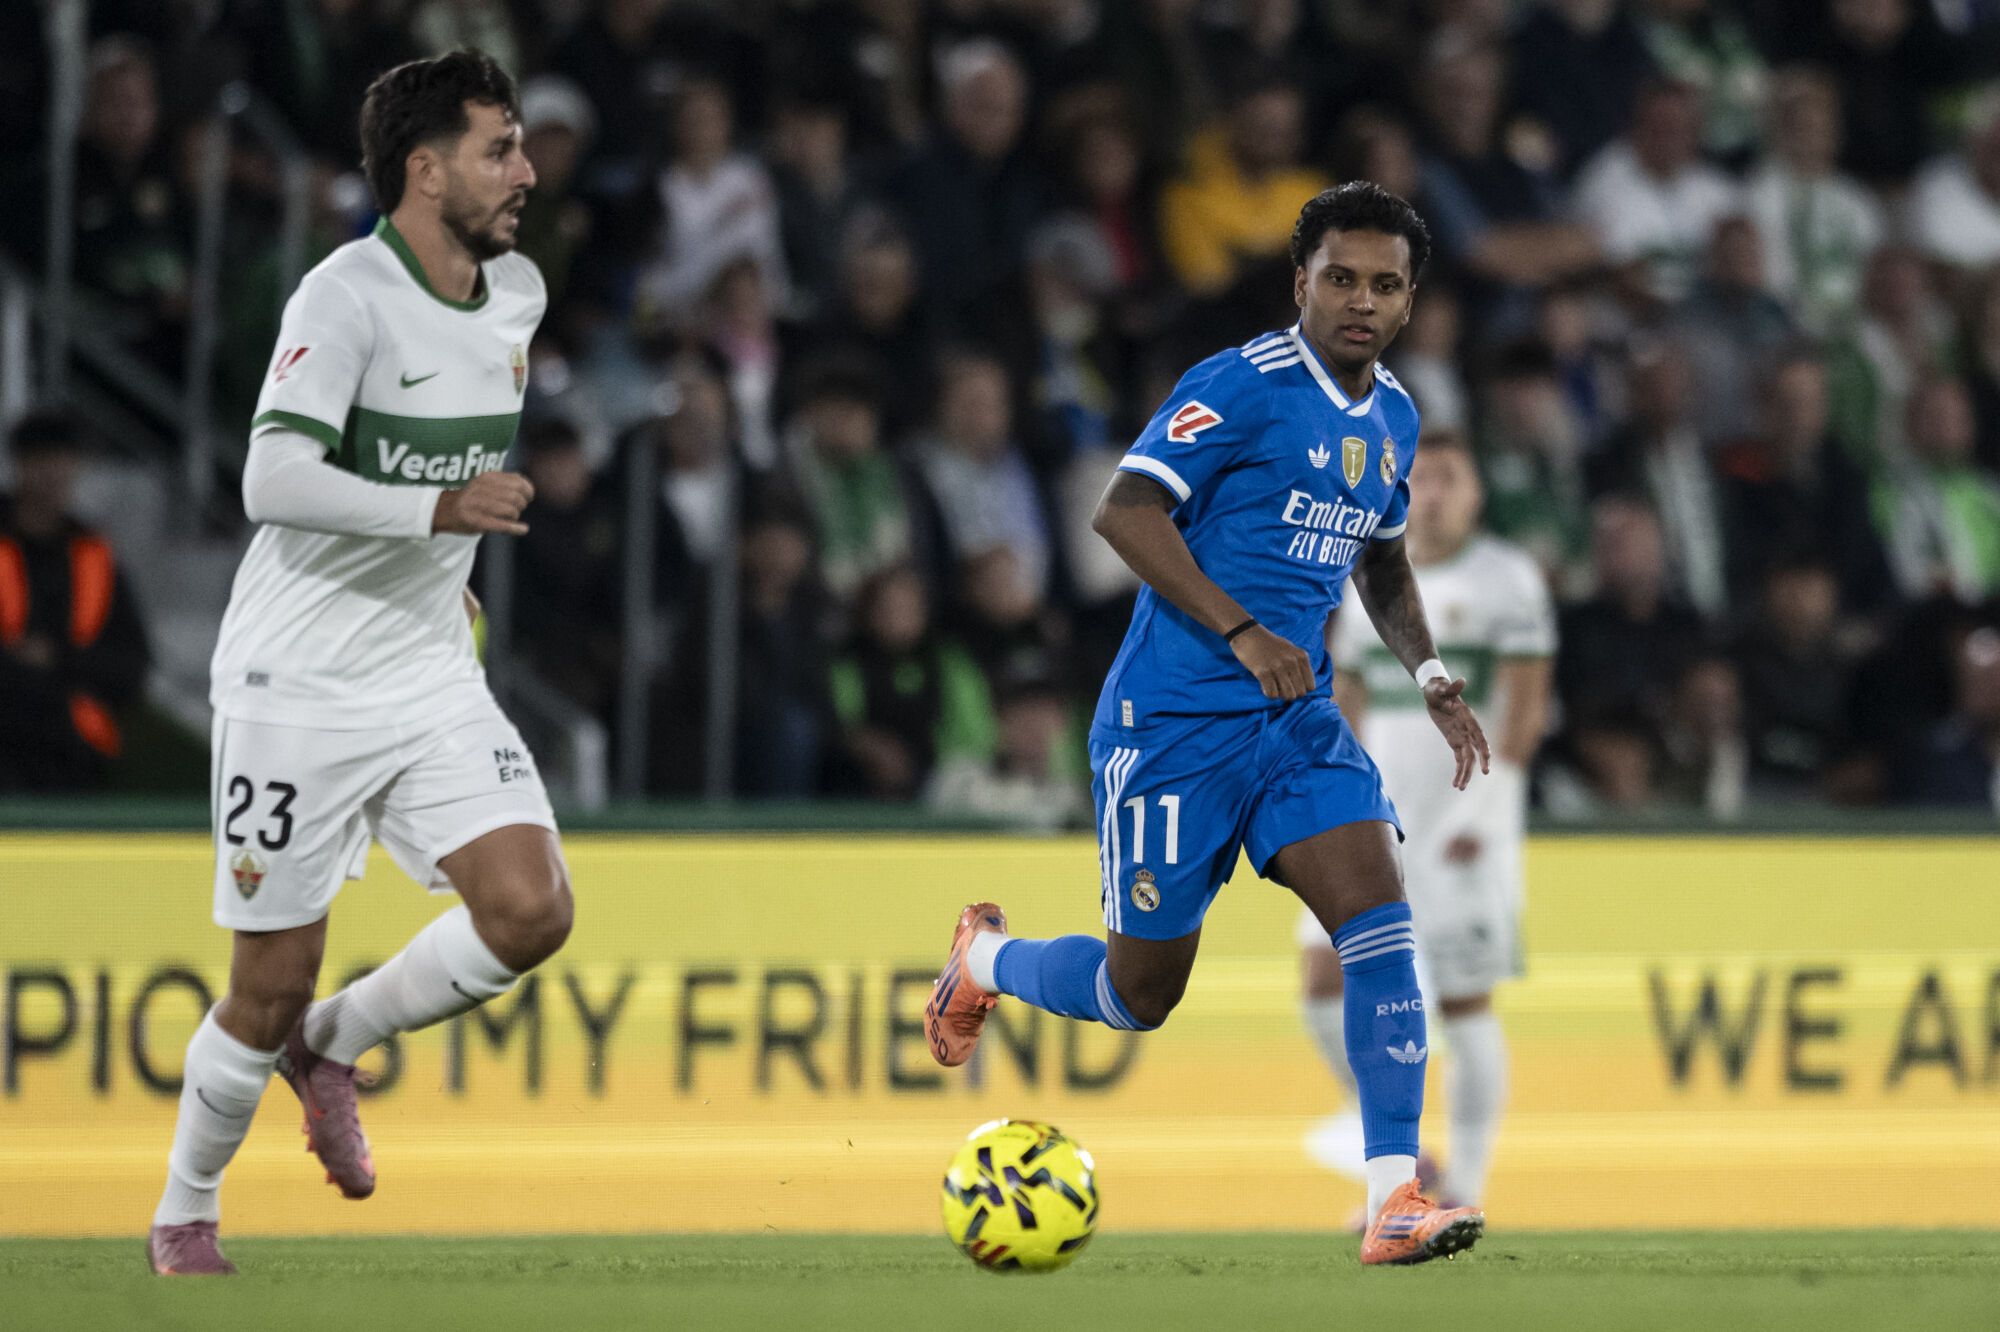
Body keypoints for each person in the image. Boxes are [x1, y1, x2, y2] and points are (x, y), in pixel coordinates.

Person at [923, 183, 1491, 1265]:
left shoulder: (1395, 417)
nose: (1357, 301)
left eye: (1381, 284)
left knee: (1378, 920)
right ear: (1299, 282)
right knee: (1139, 995)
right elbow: (1122, 511)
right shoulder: (1239, 384)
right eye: (1338, 278)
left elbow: (1376, 553)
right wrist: (1238, 631)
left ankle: (1392, 1199)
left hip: (1294, 722)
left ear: (1410, 301)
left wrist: (1425, 672)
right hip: (1173, 723)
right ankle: (984, 962)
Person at [149, 52, 573, 1277]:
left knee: (531, 908)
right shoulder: (342, 297)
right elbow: (270, 479)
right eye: (501, 149)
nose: (527, 173)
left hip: (429, 670)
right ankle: (186, 1212)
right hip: (298, 684)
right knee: (266, 981)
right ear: (424, 169)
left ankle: (332, 1045)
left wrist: (448, 574)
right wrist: (438, 516)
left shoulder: (517, 295)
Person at [1294, 432, 1553, 1219]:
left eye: (1450, 477)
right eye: (1422, 478)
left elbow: (1525, 707)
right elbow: (1349, 699)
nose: (1435, 492)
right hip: (1374, 818)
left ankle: (1466, 1183)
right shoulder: (1365, 577)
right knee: (1323, 984)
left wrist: (1484, 808)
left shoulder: (1507, 580)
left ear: (1476, 491)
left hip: (1463, 822)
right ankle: (1404, 1163)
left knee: (1465, 999)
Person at [0, 413, 152, 792]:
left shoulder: (94, 555)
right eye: (42, 460)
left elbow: (131, 665)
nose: (55, 473)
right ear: (20, 465)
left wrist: (57, 659)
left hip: (72, 758)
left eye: (64, 460)